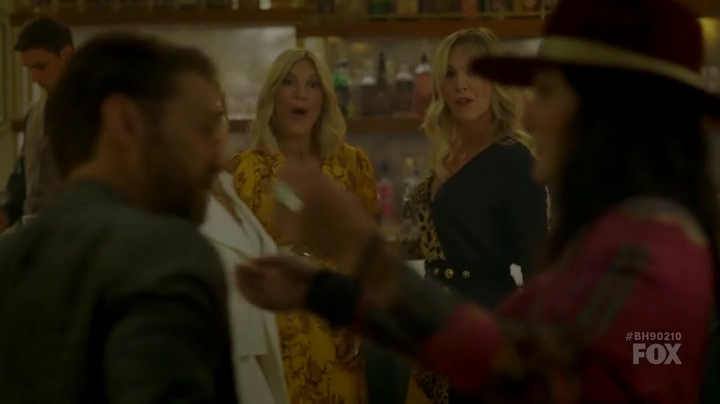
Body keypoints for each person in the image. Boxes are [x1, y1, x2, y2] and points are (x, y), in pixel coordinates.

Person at [235, 0, 719, 401]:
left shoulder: (648, 254)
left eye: (546, 91)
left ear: (609, 109)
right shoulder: (629, 235)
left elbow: (523, 371)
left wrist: (360, 254)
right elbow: (516, 343)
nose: (529, 113)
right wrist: (323, 290)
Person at [0, 33, 236, 403]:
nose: (217, 158)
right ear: (125, 122)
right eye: (202, 128)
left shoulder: (10, 260)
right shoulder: (164, 253)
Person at [401, 27, 547, 404]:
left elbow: (537, 267)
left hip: (485, 326)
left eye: (473, 71)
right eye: (450, 73)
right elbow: (441, 242)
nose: (461, 84)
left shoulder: (514, 159)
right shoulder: (446, 153)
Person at [231, 48, 380, 404]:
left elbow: (369, 254)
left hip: (338, 329)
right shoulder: (244, 170)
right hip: (270, 333)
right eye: (289, 83)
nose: (301, 94)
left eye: (313, 85)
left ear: (324, 99)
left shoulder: (352, 164)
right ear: (273, 96)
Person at [201, 95, 289, 404]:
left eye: (218, 116)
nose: (214, 128)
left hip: (261, 358)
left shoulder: (228, 185)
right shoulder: (169, 203)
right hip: (220, 367)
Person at [1, 16, 73, 232]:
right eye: (30, 69)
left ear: (66, 54)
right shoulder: (35, 114)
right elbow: (24, 172)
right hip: (34, 234)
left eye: (41, 67)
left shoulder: (97, 113)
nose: (34, 78)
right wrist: (6, 211)